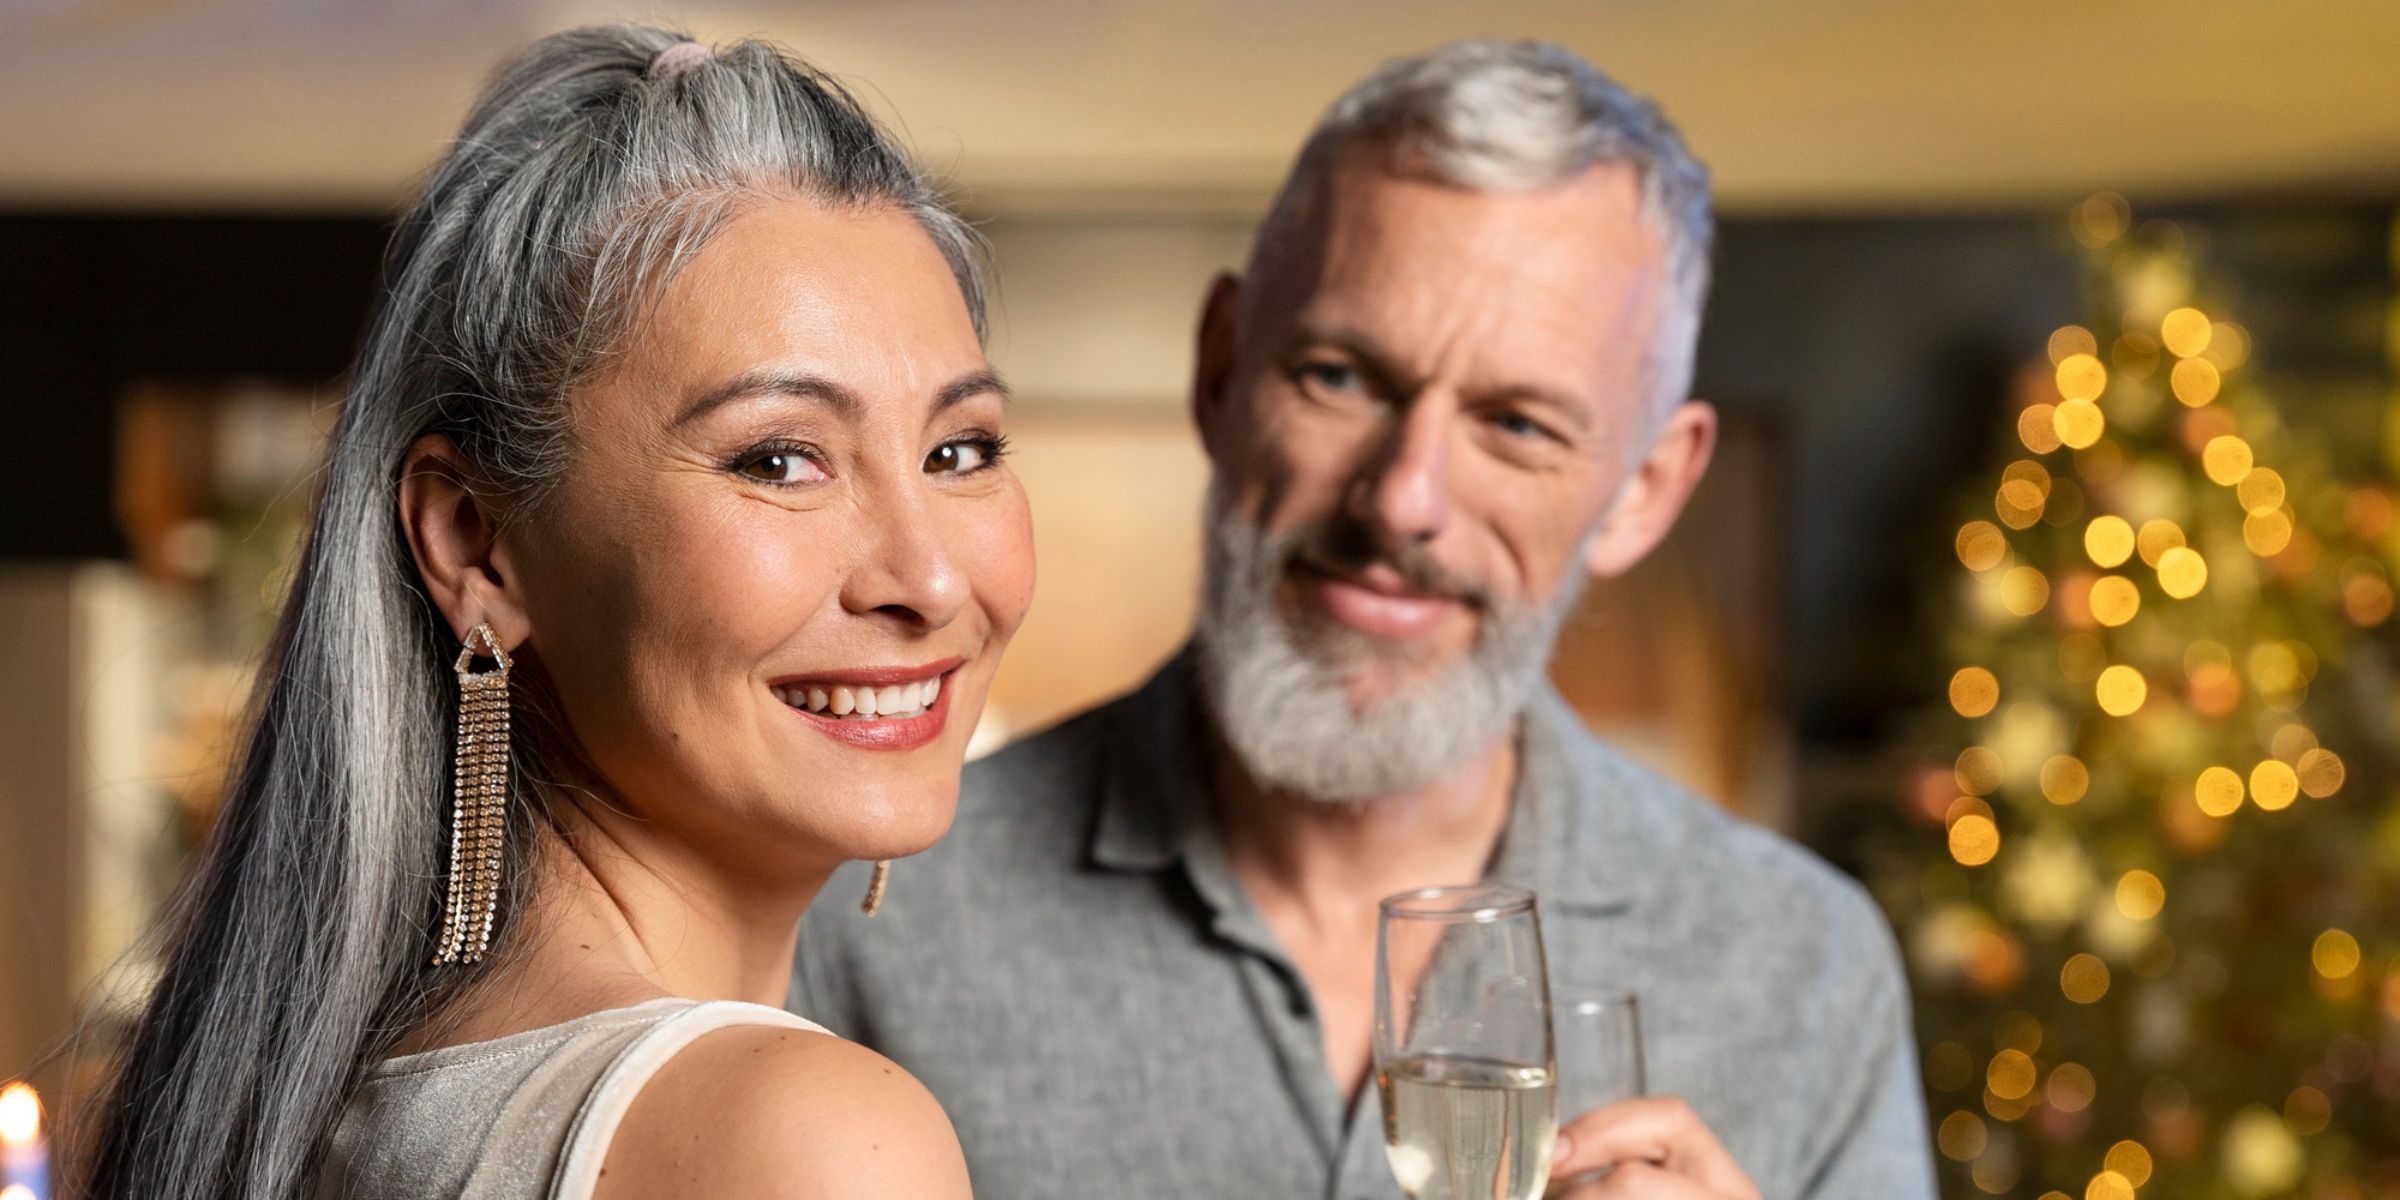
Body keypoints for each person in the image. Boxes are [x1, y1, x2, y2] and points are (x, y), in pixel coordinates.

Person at [796, 38, 1937, 1199]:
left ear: (1646, 490)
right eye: (1341, 378)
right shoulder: (858, 918)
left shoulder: (1806, 967)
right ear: (1221, 370)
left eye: (1520, 425)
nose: (1404, 499)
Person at [79, 24, 1032, 1200]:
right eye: (780, 461)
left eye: (960, 447)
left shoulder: (336, 1099)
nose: (930, 580)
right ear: (478, 543)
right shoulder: (800, 1140)